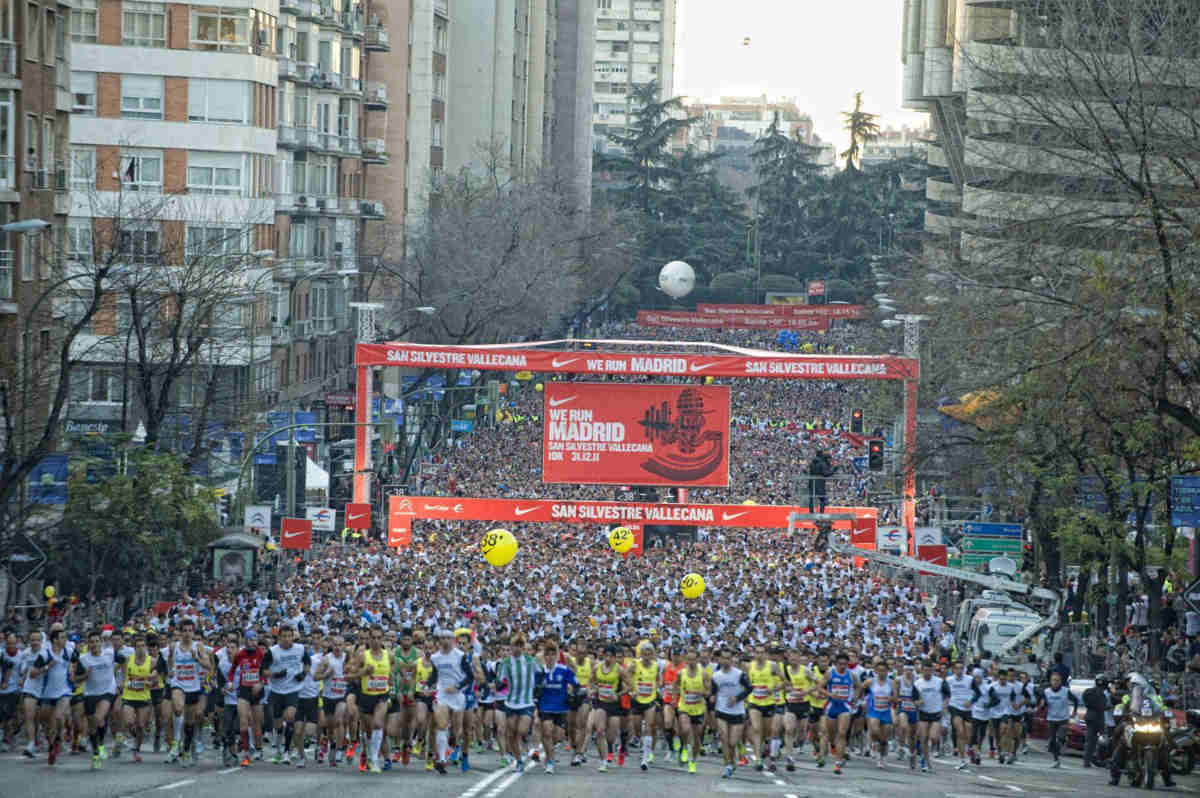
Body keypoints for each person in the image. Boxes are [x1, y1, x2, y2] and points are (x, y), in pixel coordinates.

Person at [1039, 671, 1078, 769]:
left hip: (1063, 719)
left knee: (1059, 739)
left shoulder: (1065, 691)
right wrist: (1042, 706)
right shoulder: (1046, 692)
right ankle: (1056, 760)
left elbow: (1076, 700)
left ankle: (1062, 742)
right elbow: (1043, 705)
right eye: (1053, 680)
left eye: (1057, 680)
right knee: (1052, 741)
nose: (1055, 682)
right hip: (1052, 719)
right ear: (1050, 681)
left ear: (1061, 682)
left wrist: (1074, 712)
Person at [1082, 674, 1109, 767]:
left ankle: (1088, 760)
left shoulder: (1089, 692)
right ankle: (1095, 759)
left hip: (1090, 718)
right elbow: (1102, 706)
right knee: (1103, 740)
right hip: (1097, 719)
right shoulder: (1100, 694)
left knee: (1091, 741)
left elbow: (1087, 702)